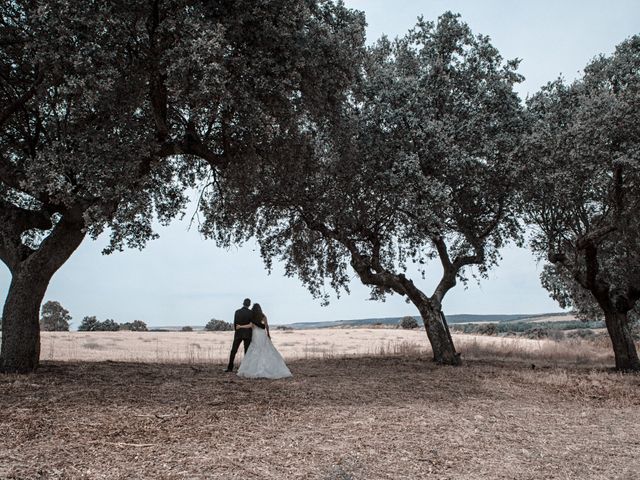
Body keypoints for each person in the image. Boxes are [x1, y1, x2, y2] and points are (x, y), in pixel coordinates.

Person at [237, 303, 292, 379]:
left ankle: (253, 369)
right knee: (266, 349)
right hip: (262, 334)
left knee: (255, 349)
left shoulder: (253, 317)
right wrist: (268, 334)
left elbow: (250, 326)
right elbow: (266, 326)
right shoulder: (263, 316)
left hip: (255, 335)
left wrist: (240, 326)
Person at [224, 298, 257, 372]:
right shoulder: (251, 313)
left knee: (233, 351)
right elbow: (251, 325)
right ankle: (246, 368)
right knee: (247, 351)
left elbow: (235, 323)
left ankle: (230, 367)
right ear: (249, 304)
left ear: (243, 303)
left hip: (238, 333)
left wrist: (237, 331)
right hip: (248, 334)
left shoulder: (237, 312)